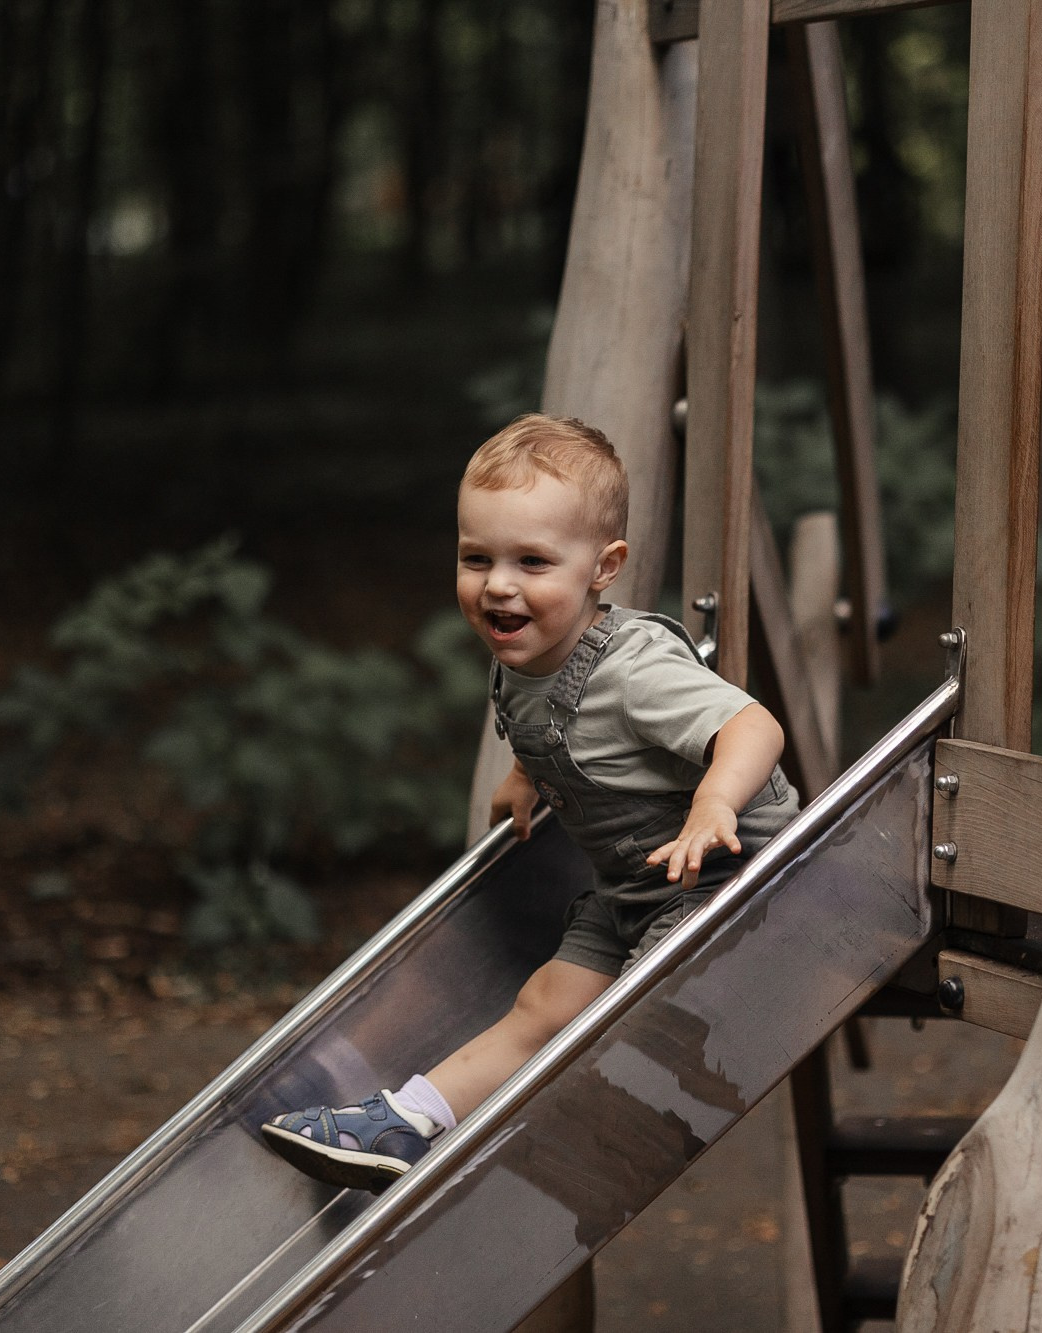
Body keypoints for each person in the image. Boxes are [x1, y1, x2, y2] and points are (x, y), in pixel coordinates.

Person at [261, 412, 799, 1190]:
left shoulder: (634, 668)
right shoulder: (523, 658)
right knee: (544, 1001)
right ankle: (406, 1121)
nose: (499, 584)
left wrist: (716, 800)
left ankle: (587, 1140)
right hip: (637, 889)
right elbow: (548, 724)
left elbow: (754, 725)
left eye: (532, 561)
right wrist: (527, 773)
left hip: (738, 882)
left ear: (603, 567)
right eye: (476, 557)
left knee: (622, 1021)